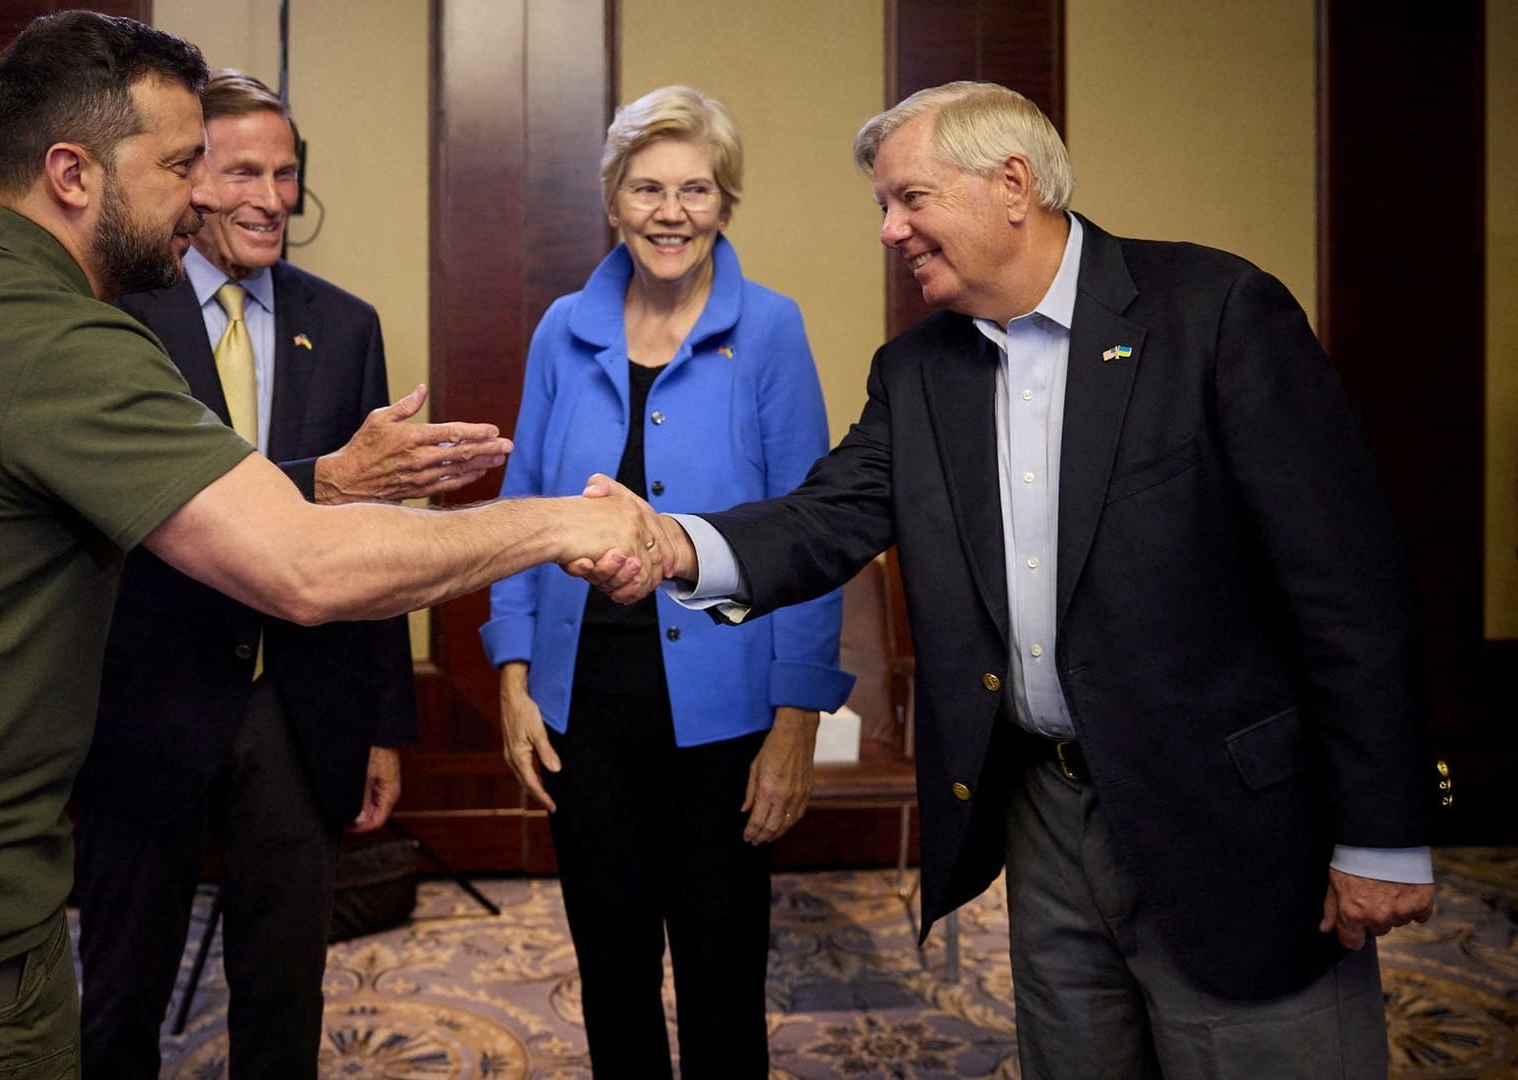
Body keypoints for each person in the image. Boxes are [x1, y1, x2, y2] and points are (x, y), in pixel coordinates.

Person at [0, 13, 664, 1077]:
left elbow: (88, 496)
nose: (210, 196)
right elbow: (305, 570)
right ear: (75, 173)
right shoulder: (65, 344)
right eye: (181, 166)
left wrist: (330, 479)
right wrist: (564, 520)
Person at [604, 81, 1438, 1078]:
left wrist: (1383, 835)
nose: (889, 230)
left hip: (1230, 823)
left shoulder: (1211, 314)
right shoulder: (918, 373)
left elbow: (1349, 583)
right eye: (882, 205)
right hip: (1045, 817)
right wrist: (672, 547)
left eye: (909, 198)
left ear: (1011, 183)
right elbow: (824, 519)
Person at [72, 70, 504, 1079]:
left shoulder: (344, 325)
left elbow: (373, 535)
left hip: (298, 701)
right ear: (186, 182)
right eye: (240, 173)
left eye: (287, 173)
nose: (271, 197)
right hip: (147, 695)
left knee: (283, 988)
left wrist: (382, 723)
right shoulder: (114, 318)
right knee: (119, 992)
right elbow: (141, 511)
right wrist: (330, 478)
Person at [481, 85, 853, 1078]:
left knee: (723, 974)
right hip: (582, 706)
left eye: (696, 189)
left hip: (725, 719)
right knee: (611, 969)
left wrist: (795, 723)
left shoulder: (771, 330)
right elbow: (521, 509)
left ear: (725, 204)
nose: (670, 211)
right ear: (613, 201)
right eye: (647, 187)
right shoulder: (563, 327)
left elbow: (810, 537)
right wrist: (513, 675)